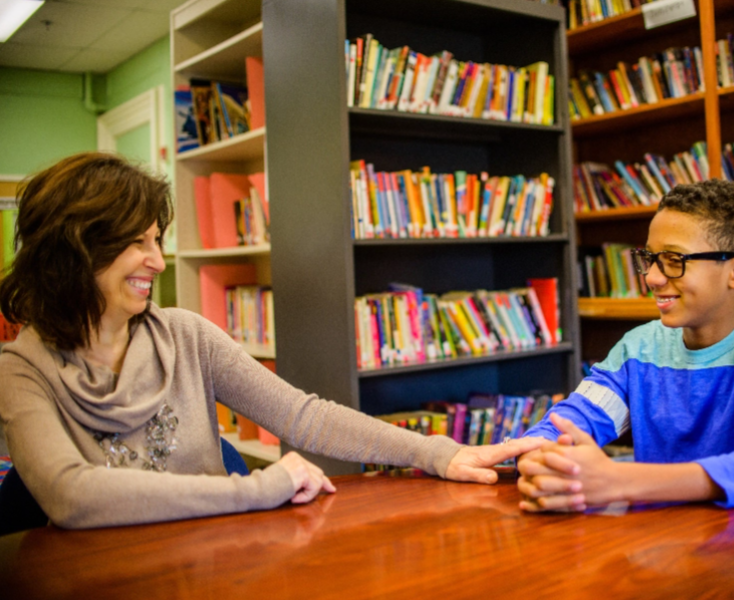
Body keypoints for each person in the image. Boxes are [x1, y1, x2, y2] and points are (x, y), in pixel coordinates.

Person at [0, 152, 538, 529]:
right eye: (134, 243)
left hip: (213, 563)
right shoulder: (20, 369)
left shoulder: (185, 335)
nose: (158, 262)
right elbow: (71, 495)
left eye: (157, 240)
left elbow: (304, 415)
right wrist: (259, 488)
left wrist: (438, 453)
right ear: (73, 250)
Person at [517, 179, 734, 512]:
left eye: (673, 259)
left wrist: (622, 480)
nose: (651, 277)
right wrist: (543, 459)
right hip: (657, 547)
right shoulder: (639, 348)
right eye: (649, 258)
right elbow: (561, 425)